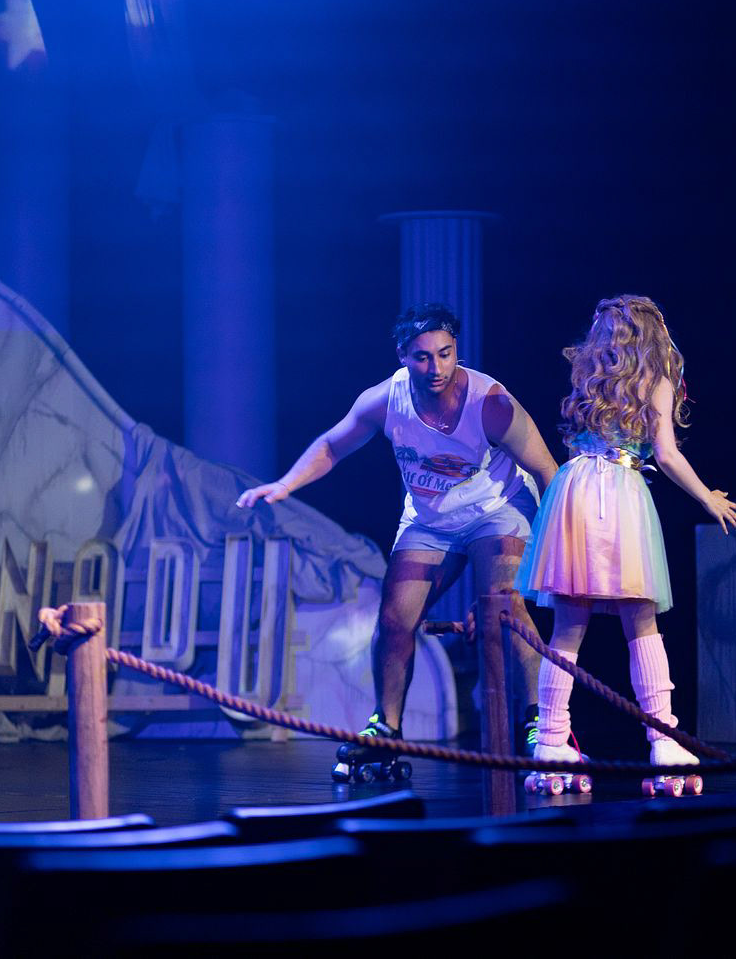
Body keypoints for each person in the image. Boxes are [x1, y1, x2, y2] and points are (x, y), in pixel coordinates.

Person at [237, 304, 559, 782]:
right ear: (403, 356)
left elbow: (547, 472)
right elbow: (332, 445)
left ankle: (541, 723)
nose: (436, 368)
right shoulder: (386, 400)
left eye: (445, 355)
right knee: (393, 619)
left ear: (456, 351)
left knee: (505, 607)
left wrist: (550, 553)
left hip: (499, 510)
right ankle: (385, 726)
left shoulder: (491, 404)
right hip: (430, 521)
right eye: (423, 357)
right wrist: (284, 486)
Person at [515, 294, 736, 790]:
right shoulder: (655, 378)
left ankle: (552, 741)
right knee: (640, 620)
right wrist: (708, 497)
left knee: (569, 623)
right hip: (618, 490)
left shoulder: (590, 372)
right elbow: (665, 453)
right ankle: (664, 739)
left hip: (575, 486)